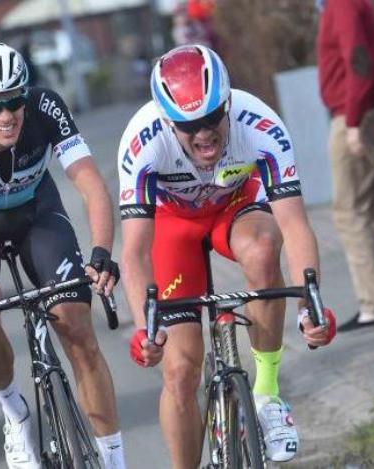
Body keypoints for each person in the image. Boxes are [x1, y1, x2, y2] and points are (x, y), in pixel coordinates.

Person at [118, 44, 337, 467]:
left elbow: (294, 225)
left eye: (212, 119)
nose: (204, 134)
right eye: (188, 125)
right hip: (171, 225)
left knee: (263, 249)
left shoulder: (260, 124)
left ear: (229, 104)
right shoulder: (141, 141)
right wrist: (146, 327)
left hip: (235, 209)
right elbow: (134, 251)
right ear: (167, 120)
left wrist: (311, 304)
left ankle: (267, 394)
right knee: (180, 372)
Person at [0, 42, 126, 469]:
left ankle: (114, 460)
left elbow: (89, 182)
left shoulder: (46, 106)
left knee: (76, 326)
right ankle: (15, 414)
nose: (7, 116)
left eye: (15, 101)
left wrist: (102, 251)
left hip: (37, 214)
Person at [316, 0, 374, 331]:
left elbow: (359, 60)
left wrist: (352, 122)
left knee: (349, 211)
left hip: (359, 115)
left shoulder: (341, 4)